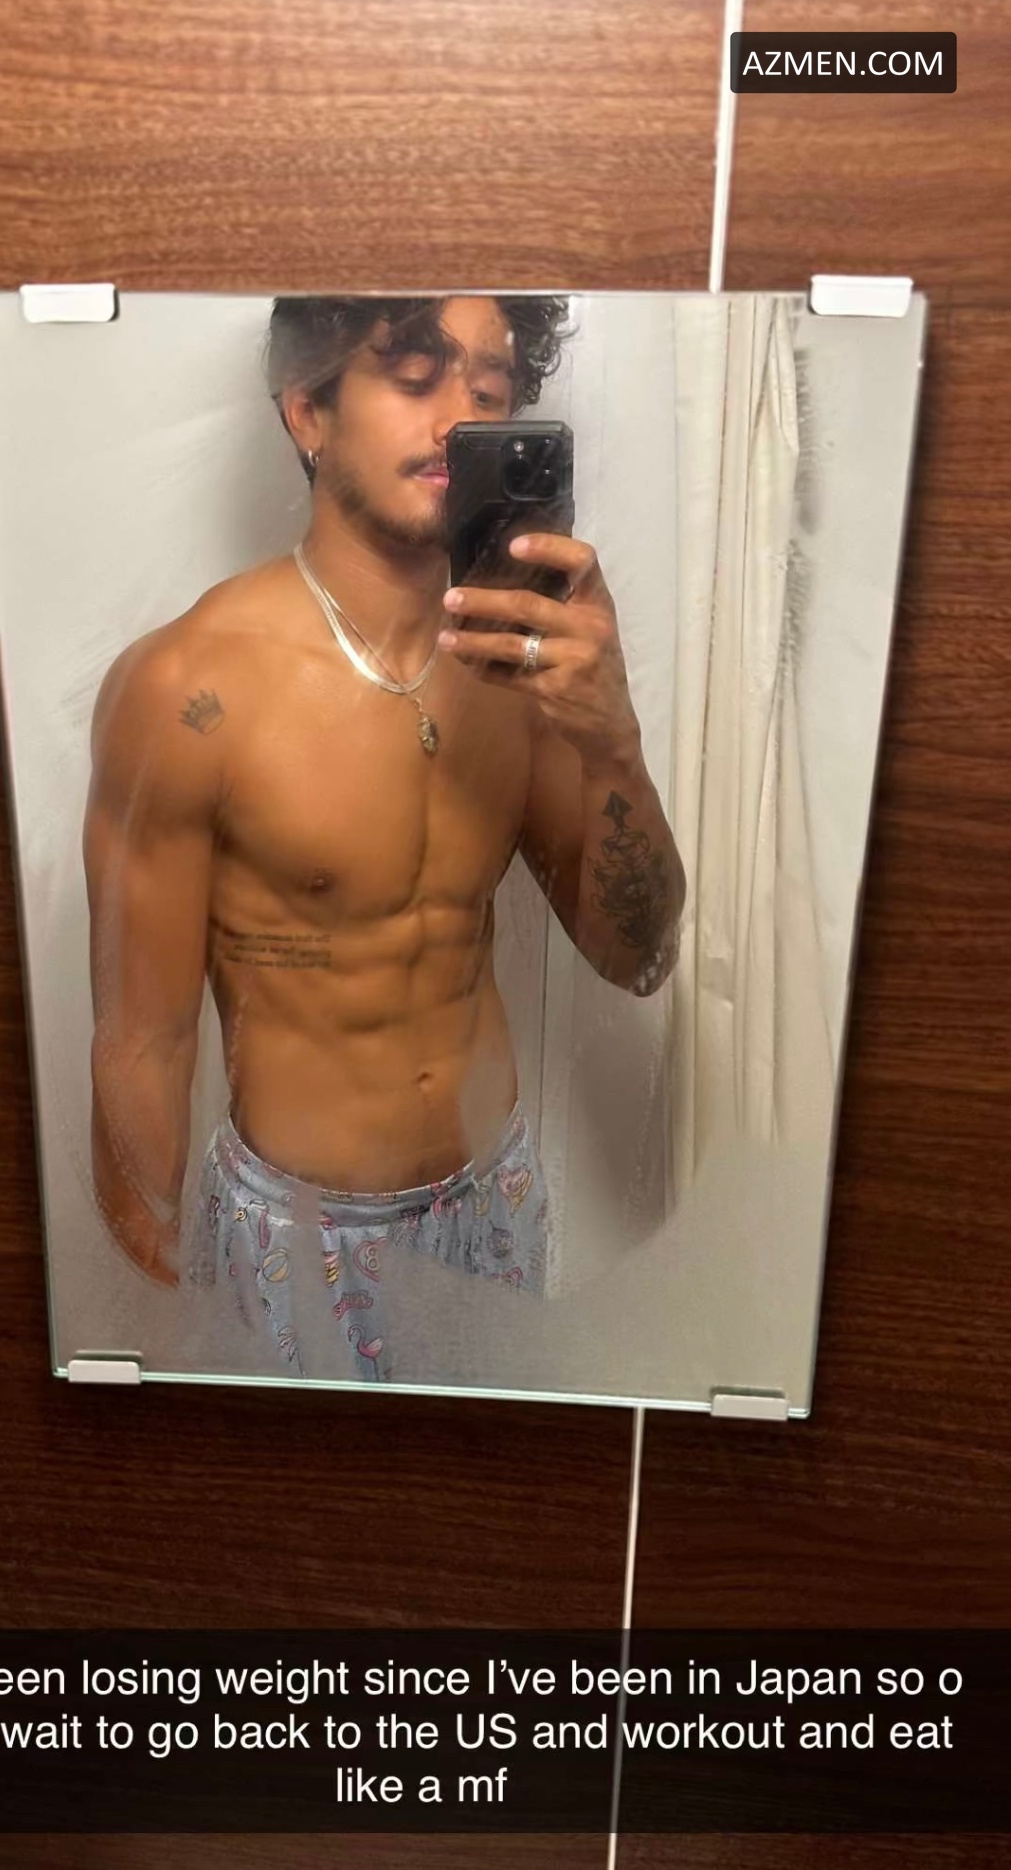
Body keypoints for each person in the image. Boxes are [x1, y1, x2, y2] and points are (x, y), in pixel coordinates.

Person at [83, 292, 686, 1381]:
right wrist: (157, 1330)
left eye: (489, 390)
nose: (458, 416)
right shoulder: (187, 688)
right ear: (307, 412)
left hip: (494, 1203)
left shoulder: (531, 668)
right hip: (291, 1235)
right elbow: (142, 1045)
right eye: (414, 376)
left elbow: (636, 956)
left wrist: (613, 741)